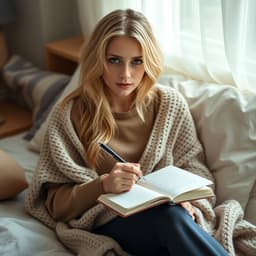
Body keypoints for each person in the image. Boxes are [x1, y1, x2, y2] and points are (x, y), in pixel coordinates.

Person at [25, 9, 230, 256]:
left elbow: (195, 169)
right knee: (170, 220)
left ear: (149, 61)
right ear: (98, 59)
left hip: (170, 219)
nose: (125, 74)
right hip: (107, 222)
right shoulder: (70, 114)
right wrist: (103, 184)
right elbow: (56, 206)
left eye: (137, 61)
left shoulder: (169, 105)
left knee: (173, 220)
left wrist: (190, 203)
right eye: (114, 60)